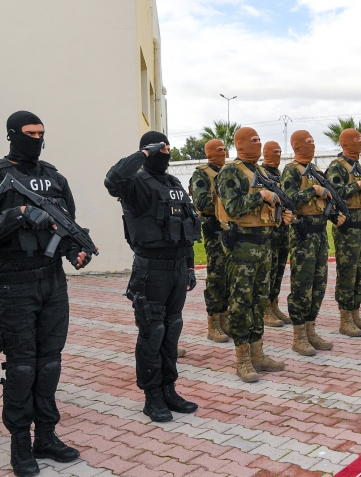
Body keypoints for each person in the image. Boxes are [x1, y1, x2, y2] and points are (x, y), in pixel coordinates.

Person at [1, 111, 90, 476]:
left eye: (41, 133)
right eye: (30, 133)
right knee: (22, 366)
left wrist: (76, 251)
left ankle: (47, 436)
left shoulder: (54, 177)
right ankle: (20, 444)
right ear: (12, 134)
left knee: (49, 362)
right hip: (13, 283)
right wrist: (19, 213)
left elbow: (67, 225)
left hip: (53, 282)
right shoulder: (1, 175)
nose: (37, 139)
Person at [105, 131, 201, 422]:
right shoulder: (136, 183)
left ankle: (169, 389)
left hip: (177, 268)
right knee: (152, 332)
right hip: (151, 269)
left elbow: (185, 228)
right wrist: (144, 153)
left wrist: (189, 267)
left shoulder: (174, 184)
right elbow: (112, 180)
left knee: (172, 330)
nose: (166, 152)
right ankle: (152, 396)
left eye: (168, 147)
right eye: (161, 148)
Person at [214, 127, 291, 383]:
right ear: (240, 144)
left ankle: (258, 354)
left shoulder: (261, 172)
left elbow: (271, 204)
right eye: (253, 140)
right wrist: (261, 196)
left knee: (259, 301)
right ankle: (243, 359)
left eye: (259, 140)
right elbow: (233, 207)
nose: (258, 144)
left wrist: (281, 213)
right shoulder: (231, 172)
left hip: (265, 245)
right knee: (241, 303)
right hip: (242, 247)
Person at [281, 130, 346, 355]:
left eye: (313, 141)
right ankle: (299, 336)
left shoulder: (316, 170)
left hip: (320, 235)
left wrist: (334, 215)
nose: (312, 145)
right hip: (303, 235)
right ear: (297, 145)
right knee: (302, 285)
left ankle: (311, 329)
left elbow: (324, 200)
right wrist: (313, 190)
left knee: (319, 284)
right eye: (308, 142)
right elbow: (287, 200)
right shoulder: (291, 170)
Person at [326, 129, 361, 336]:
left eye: (360, 140)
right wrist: (357, 186)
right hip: (346, 229)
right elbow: (334, 193)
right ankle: (345, 319)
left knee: (360, 273)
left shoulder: (358, 168)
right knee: (347, 274)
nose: (359, 143)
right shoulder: (337, 167)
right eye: (354, 140)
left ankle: (355, 314)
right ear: (344, 143)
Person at [189, 139, 230, 342]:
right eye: (219, 150)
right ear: (210, 153)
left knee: (229, 276)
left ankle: (225, 318)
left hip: (231, 231)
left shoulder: (229, 171)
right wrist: (228, 200)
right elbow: (202, 202)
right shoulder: (202, 174)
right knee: (216, 276)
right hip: (214, 231)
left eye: (225, 149)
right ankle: (213, 323)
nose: (223, 153)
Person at [261, 140, 291, 327]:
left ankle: (274, 305)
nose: (278, 155)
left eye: (280, 151)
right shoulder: (261, 173)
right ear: (266, 153)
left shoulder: (279, 174)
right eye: (275, 152)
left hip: (283, 230)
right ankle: (265, 309)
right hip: (269, 231)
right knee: (268, 272)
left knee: (279, 271)